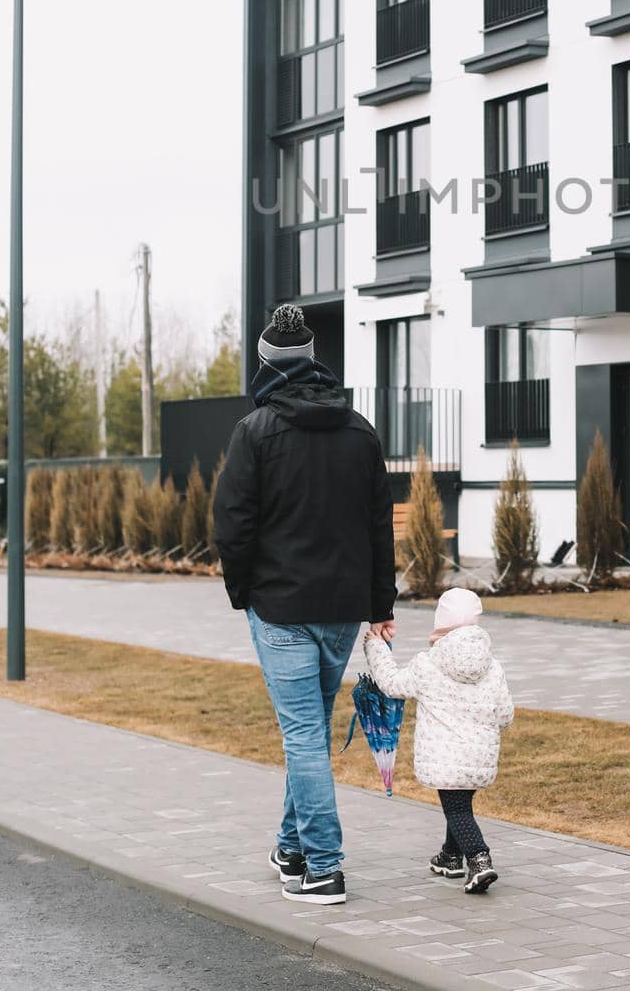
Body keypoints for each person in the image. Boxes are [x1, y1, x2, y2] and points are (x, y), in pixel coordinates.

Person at [213, 304, 396, 906]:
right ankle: (291, 850)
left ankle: (324, 868)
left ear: (265, 363)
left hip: (282, 609)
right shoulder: (361, 430)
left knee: (303, 736)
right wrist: (380, 604)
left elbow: (233, 526)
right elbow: (378, 527)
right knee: (310, 731)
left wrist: (244, 595)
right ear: (313, 360)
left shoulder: (256, 431)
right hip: (341, 610)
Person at [363, 586, 513, 894]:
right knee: (460, 802)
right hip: (480, 755)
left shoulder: (428, 664)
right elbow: (505, 715)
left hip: (445, 755)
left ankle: (480, 860)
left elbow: (392, 684)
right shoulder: (492, 666)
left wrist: (375, 648)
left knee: (456, 809)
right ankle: (450, 856)